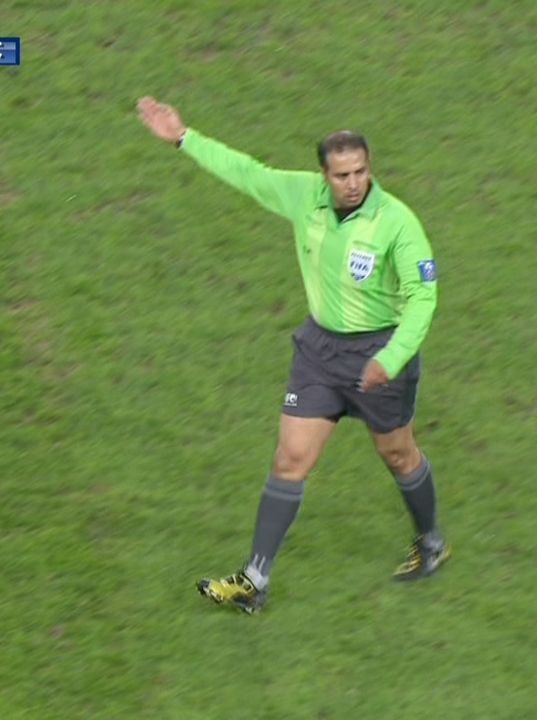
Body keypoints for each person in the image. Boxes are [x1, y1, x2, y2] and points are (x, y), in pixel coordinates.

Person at [135, 96, 448, 613]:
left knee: (398, 454)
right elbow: (248, 174)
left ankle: (431, 540)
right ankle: (255, 580)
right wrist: (184, 138)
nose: (353, 182)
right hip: (320, 352)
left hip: (380, 353)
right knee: (290, 459)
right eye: (342, 174)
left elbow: (423, 299)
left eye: (361, 171)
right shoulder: (304, 196)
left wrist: (391, 359)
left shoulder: (397, 222)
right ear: (324, 175)